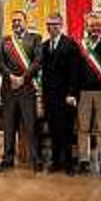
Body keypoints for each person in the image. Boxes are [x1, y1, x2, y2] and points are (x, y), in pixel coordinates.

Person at [0, 10, 42, 172]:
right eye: (14, 21)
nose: (16, 23)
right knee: (9, 127)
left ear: (25, 22)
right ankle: (7, 159)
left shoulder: (35, 38)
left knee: (31, 126)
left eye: (19, 20)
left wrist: (23, 78)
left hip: (27, 89)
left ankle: (36, 158)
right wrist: (11, 77)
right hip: (8, 90)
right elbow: (0, 63)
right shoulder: (6, 41)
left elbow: (37, 61)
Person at [75, 12, 101, 176]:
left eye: (98, 25)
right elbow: (75, 72)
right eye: (92, 26)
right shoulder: (80, 45)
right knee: (83, 128)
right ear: (86, 27)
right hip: (83, 93)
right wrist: (73, 93)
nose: (95, 28)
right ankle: (84, 160)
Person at [41, 13, 79, 175]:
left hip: (65, 96)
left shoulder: (70, 44)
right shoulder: (44, 46)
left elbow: (75, 72)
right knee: (53, 131)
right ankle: (56, 162)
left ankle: (69, 163)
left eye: (55, 24)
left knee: (67, 131)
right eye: (49, 24)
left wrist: (72, 93)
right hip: (49, 97)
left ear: (61, 25)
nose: (52, 27)